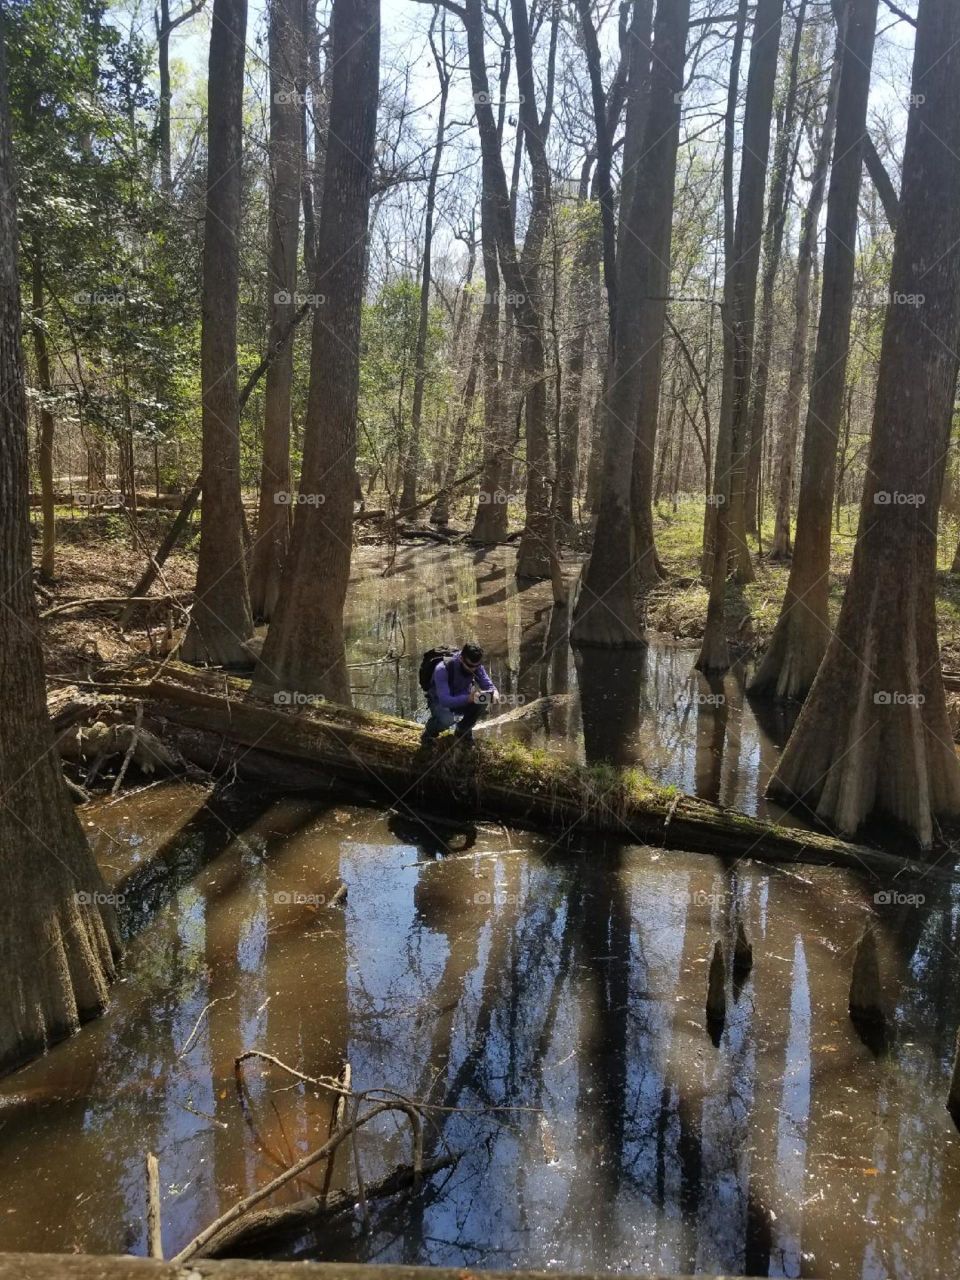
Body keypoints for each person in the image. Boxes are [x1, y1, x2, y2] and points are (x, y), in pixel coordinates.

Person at [421, 642, 499, 747]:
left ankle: (462, 731)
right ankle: (428, 733)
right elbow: (445, 700)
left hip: (463, 697)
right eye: (470, 666)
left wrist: (494, 693)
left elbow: (489, 686)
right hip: (440, 701)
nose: (473, 669)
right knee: (447, 719)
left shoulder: (476, 666)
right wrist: (468, 698)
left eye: (476, 666)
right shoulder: (442, 669)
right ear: (461, 658)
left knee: (484, 699)